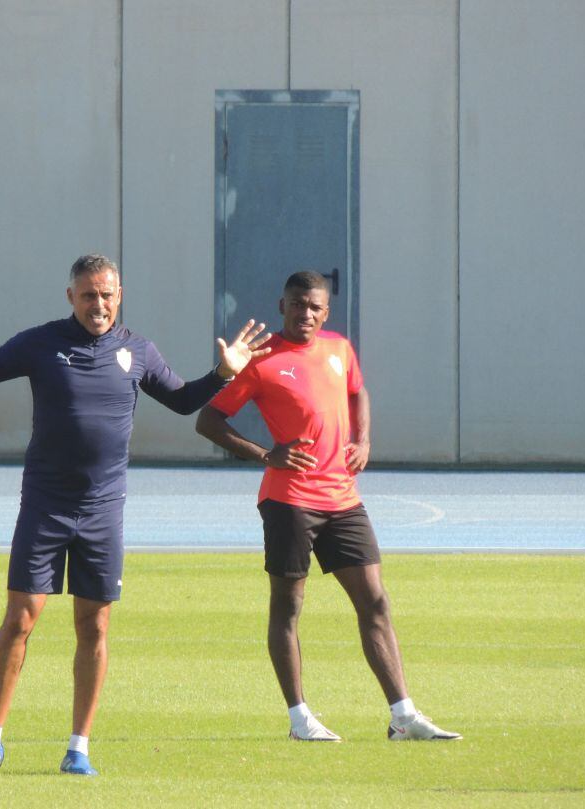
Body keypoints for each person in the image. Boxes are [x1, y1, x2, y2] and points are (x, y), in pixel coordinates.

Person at [0, 254, 270, 776]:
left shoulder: (138, 350)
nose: (99, 304)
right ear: (70, 295)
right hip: (45, 507)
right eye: (89, 294)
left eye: (108, 294)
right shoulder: (40, 342)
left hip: (102, 513)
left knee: (94, 627)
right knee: (20, 619)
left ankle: (78, 749)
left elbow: (184, 403)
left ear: (121, 295)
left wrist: (224, 374)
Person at [195, 270, 460, 743]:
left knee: (375, 601)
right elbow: (209, 421)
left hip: (342, 498)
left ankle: (403, 716)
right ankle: (300, 719)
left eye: (315, 307)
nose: (307, 313)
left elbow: (358, 392)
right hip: (290, 500)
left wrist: (363, 438)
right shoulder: (262, 360)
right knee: (289, 607)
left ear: (326, 312)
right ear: (283, 306)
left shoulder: (339, 349)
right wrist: (265, 454)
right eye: (298, 305)